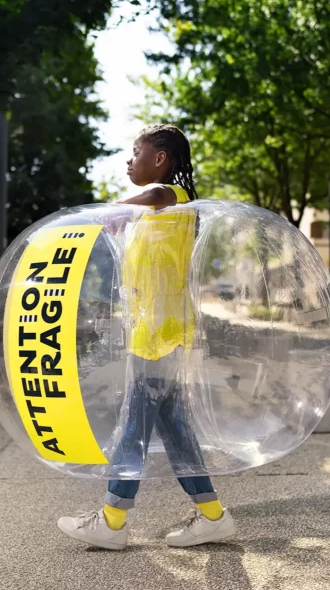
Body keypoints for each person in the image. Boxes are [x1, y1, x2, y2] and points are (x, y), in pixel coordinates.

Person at [57, 124, 237, 550]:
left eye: (135, 152)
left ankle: (112, 519)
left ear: (159, 159)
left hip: (162, 338)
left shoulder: (174, 198)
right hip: (156, 337)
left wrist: (117, 209)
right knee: (174, 430)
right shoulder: (158, 216)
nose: (128, 160)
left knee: (133, 427)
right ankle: (213, 516)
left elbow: (158, 196)